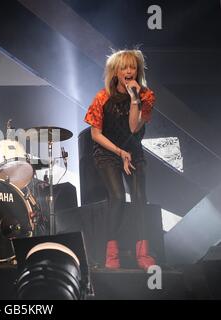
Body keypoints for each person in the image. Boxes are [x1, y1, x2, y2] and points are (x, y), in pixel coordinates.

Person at [84, 49, 156, 270]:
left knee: (139, 198)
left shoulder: (146, 96)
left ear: (137, 70)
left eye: (132, 67)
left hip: (133, 150)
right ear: (115, 71)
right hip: (108, 152)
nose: (128, 71)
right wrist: (118, 152)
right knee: (117, 197)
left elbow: (134, 128)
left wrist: (135, 99)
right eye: (124, 67)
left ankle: (143, 254)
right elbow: (95, 134)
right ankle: (111, 255)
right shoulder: (102, 97)